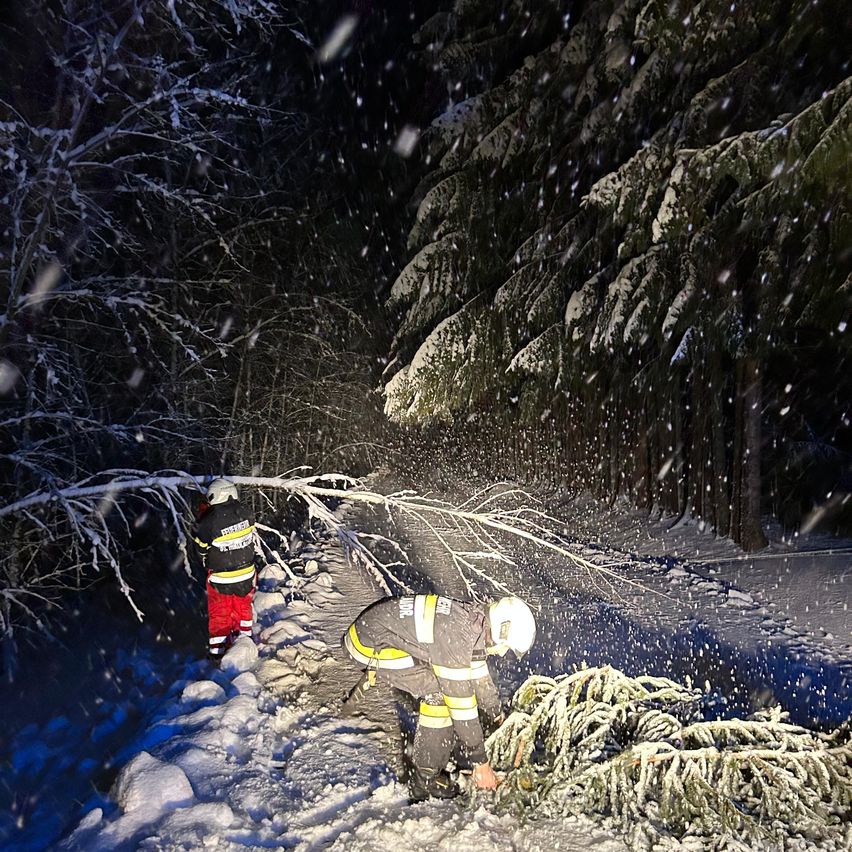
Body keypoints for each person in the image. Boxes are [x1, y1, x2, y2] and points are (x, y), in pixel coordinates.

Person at [340, 594, 536, 801]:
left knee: (450, 681)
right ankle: (425, 777)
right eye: (506, 646)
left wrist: (497, 714)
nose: (503, 653)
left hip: (376, 633)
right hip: (368, 646)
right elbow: (462, 706)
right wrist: (481, 763)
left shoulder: (473, 623)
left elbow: (479, 678)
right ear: (500, 629)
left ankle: (431, 762)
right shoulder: (458, 636)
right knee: (442, 691)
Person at [193, 478, 257, 661]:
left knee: (220, 614)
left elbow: (200, 549)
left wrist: (207, 561)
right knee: (243, 608)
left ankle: (218, 654)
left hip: (221, 578)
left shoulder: (208, 521)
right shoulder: (246, 512)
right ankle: (244, 641)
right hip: (247, 573)